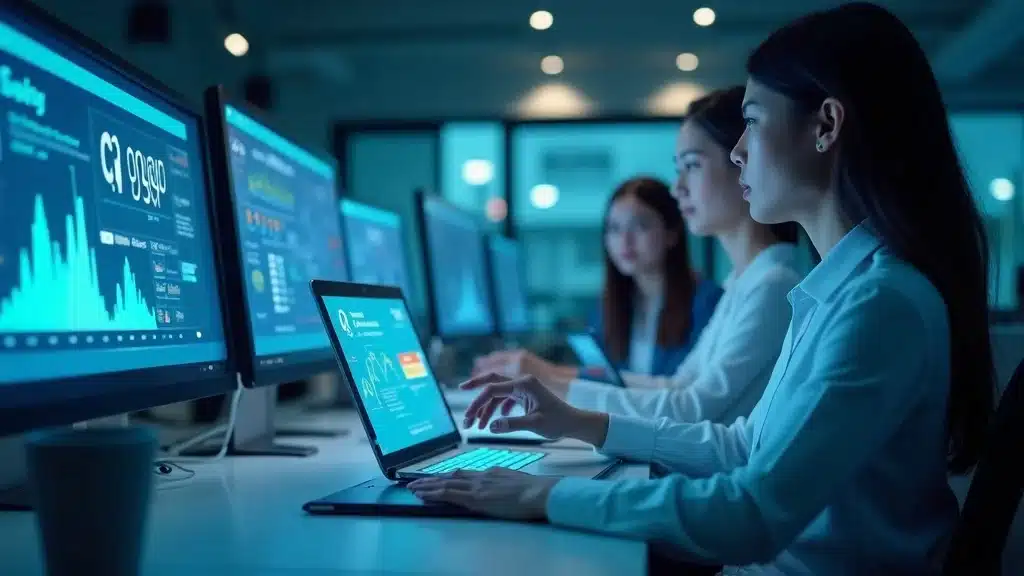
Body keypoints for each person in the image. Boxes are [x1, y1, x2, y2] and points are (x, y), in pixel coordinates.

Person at [408, 3, 996, 574]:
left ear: (826, 126)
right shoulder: (837, 291)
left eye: (755, 122)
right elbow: (743, 448)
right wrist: (580, 423)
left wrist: (543, 495)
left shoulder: (878, 304)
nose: (739, 151)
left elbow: (751, 514)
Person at [476, 87, 805, 426]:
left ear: (743, 162)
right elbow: (677, 387)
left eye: (691, 166)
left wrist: (556, 384)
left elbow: (693, 409)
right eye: (614, 230)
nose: (678, 189)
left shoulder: (772, 284)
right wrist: (555, 380)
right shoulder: (743, 281)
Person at [586, 176, 723, 377]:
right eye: (614, 228)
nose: (625, 240)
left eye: (639, 225)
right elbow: (599, 379)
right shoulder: (607, 307)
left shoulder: (707, 303)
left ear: (672, 232)